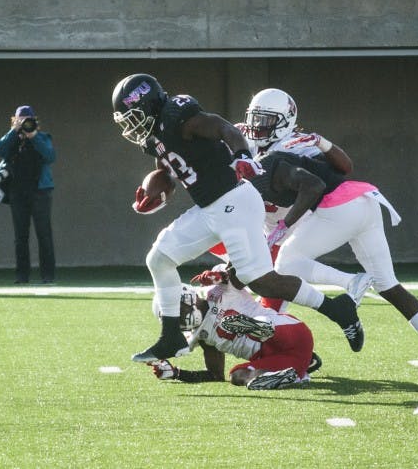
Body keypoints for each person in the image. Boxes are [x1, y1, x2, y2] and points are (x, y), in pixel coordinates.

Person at [111, 73, 362, 363]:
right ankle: (171, 337)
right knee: (159, 258)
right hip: (209, 209)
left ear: (151, 104)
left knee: (261, 281)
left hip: (235, 202)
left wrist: (242, 155)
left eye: (133, 116)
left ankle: (337, 308)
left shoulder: (179, 115)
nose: (131, 125)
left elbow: (223, 127)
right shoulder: (155, 134)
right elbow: (168, 170)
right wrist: (155, 195)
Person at [241, 88, 418, 360]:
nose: (257, 127)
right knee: (387, 283)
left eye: (265, 120)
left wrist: (319, 142)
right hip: (364, 202)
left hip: (331, 208)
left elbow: (333, 172)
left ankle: (348, 287)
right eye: (255, 119)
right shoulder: (248, 143)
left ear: (285, 121)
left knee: (285, 267)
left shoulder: (293, 146)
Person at [150, 265, 315, 390]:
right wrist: (177, 373)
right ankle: (287, 377)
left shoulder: (216, 289)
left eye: (178, 311)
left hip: (288, 332)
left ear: (185, 295)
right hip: (287, 359)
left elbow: (242, 267)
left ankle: (253, 327)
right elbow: (216, 375)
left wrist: (221, 276)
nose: (180, 318)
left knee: (254, 325)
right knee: (236, 376)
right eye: (174, 318)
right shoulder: (200, 336)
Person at [0, 105, 56, 284]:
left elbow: (50, 156)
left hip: (40, 191)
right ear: (14, 120)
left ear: (35, 121)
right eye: (20, 120)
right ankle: (22, 276)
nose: (24, 123)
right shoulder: (11, 139)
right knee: (20, 236)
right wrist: (14, 131)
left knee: (44, 234)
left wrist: (33, 136)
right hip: (17, 191)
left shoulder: (43, 137)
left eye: (28, 120)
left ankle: (48, 275)